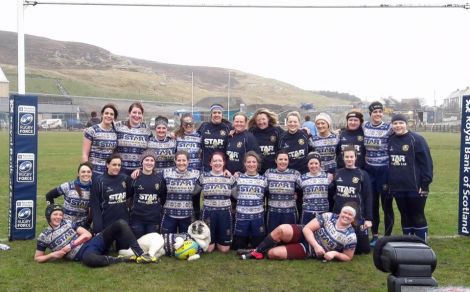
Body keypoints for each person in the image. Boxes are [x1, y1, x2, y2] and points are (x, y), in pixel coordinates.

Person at [35, 204, 155, 267]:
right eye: (55, 214)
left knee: (120, 223)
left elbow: (87, 235)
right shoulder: (44, 236)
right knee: (89, 260)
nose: (58, 217)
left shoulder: (67, 223)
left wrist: (70, 246)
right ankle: (121, 260)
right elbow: (38, 258)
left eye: (60, 215)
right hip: (83, 254)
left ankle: (141, 255)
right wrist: (52, 254)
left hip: (95, 242)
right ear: (48, 216)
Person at [239, 205, 357, 262]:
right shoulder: (329, 216)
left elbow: (348, 257)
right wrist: (317, 245)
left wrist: (335, 253)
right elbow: (307, 229)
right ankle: (257, 252)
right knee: (281, 229)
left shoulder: (351, 237)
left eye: (350, 215)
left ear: (353, 219)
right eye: (344, 212)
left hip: (309, 249)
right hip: (305, 234)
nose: (346, 216)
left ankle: (258, 250)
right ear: (340, 213)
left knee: (273, 254)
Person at [388, 114, 433, 241]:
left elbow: (427, 163)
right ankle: (408, 244)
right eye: (395, 123)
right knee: (405, 215)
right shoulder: (390, 140)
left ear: (406, 124)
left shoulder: (417, 139)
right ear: (392, 125)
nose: (398, 126)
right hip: (398, 187)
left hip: (416, 187)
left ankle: (422, 244)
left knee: (417, 215)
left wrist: (425, 184)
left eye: (400, 123)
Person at [331, 146, 373, 255]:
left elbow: (368, 197)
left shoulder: (363, 174)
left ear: (355, 158)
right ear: (343, 158)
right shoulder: (337, 173)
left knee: (363, 250)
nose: (349, 159)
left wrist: (368, 219)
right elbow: (332, 194)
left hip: (357, 216)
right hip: (339, 214)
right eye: (347, 157)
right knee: (337, 246)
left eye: (351, 157)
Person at [363, 101, 394, 246]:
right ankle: (375, 235)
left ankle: (387, 237)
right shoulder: (365, 126)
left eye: (380, 112)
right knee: (372, 204)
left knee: (386, 204)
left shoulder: (389, 128)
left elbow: (402, 134)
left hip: (384, 170)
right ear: (370, 114)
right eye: (375, 112)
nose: (378, 114)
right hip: (370, 170)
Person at [90, 154, 132, 250]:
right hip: (107, 224)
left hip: (123, 223)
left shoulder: (125, 179)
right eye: (114, 165)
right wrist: (98, 227)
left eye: (119, 165)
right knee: (103, 250)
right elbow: (95, 206)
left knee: (123, 250)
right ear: (107, 165)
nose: (117, 167)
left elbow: (130, 194)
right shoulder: (98, 181)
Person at [197, 152, 236, 253]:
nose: (217, 163)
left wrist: (236, 178)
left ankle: (220, 238)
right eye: (214, 161)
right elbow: (193, 192)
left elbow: (237, 195)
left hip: (225, 213)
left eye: (220, 161)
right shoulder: (203, 177)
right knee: (208, 249)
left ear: (224, 163)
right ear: (210, 163)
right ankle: (212, 239)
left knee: (224, 249)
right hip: (209, 213)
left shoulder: (229, 178)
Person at [232, 151, 268, 250]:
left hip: (257, 218)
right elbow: (234, 194)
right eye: (248, 162)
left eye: (253, 162)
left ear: (257, 164)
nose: (251, 164)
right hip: (242, 217)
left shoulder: (263, 180)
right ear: (244, 163)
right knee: (238, 247)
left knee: (257, 246)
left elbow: (267, 194)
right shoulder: (238, 178)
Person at [161, 150, 200, 234]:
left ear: (188, 161)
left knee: (186, 243)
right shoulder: (166, 173)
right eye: (179, 160)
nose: (181, 163)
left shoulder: (196, 174)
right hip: (169, 213)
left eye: (184, 160)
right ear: (175, 161)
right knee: (167, 242)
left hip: (187, 214)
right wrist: (139, 170)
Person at [129, 150, 166, 238]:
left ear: (154, 163)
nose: (149, 163)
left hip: (153, 218)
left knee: (152, 242)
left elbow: (163, 197)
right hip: (137, 218)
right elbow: (129, 194)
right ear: (142, 162)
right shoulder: (135, 177)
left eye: (152, 160)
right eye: (147, 160)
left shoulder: (159, 179)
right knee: (138, 244)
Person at [45, 162, 93, 228]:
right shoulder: (68, 186)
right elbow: (49, 195)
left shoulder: (95, 188)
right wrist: (52, 212)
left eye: (88, 172)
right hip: (65, 224)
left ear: (91, 173)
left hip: (83, 225)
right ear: (78, 174)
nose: (86, 174)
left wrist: (88, 224)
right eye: (83, 172)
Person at [264, 150, 300, 233]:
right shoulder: (268, 172)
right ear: (276, 160)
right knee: (272, 238)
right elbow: (261, 188)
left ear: (288, 161)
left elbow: (305, 187)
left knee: (289, 237)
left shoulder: (295, 174)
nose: (283, 162)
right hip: (273, 213)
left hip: (289, 213)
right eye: (280, 159)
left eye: (285, 159)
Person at [115, 102, 151, 175]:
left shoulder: (146, 129)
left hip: (139, 171)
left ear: (142, 115)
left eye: (139, 113)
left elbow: (150, 148)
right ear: (129, 113)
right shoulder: (119, 126)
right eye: (134, 112)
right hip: (120, 170)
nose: (137, 115)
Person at [82, 104, 118, 176]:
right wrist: (86, 171)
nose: (108, 116)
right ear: (102, 114)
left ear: (114, 117)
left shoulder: (115, 131)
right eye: (106, 113)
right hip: (94, 172)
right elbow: (85, 154)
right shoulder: (91, 130)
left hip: (109, 173)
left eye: (111, 114)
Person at [296, 152, 330, 225]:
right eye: (311, 163)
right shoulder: (301, 179)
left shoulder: (328, 177)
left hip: (323, 212)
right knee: (304, 232)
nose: (313, 166)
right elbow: (297, 193)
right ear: (307, 165)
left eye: (316, 163)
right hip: (307, 212)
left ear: (320, 164)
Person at [248, 108, 284, 174]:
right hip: (258, 170)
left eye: (263, 119)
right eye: (258, 120)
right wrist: (233, 131)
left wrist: (303, 130)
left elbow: (289, 135)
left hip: (273, 170)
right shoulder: (252, 132)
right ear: (255, 121)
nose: (261, 122)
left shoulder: (277, 130)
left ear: (268, 119)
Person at [198, 103, 232, 172]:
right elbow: (193, 135)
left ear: (222, 115)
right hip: (206, 167)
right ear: (211, 114)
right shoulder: (204, 126)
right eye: (214, 112)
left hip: (221, 168)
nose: (217, 115)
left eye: (219, 113)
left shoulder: (228, 128)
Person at [310, 112, 339, 182]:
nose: (320, 126)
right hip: (317, 172)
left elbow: (339, 155)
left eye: (323, 123)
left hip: (333, 171)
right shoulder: (312, 140)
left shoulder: (336, 138)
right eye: (318, 124)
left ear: (328, 124)